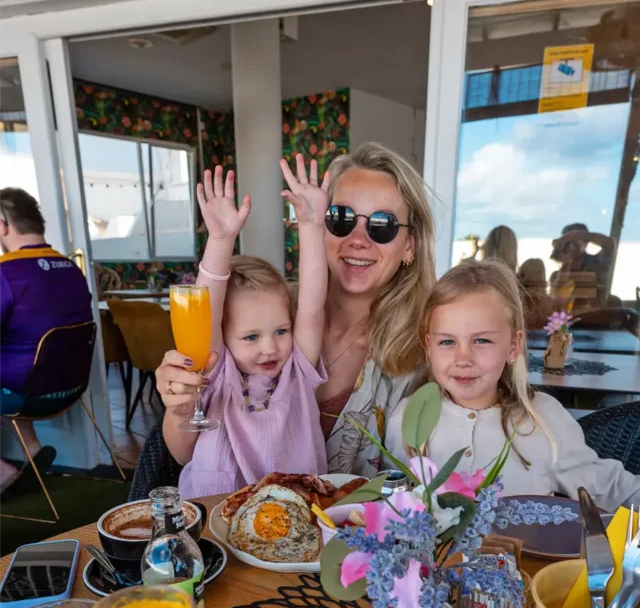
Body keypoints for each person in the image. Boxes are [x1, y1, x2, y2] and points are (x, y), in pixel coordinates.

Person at [157, 142, 436, 477]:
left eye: (382, 224)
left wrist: (311, 225)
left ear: (411, 245)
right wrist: (179, 409)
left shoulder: (430, 355)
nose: (358, 239)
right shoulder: (261, 315)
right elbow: (183, 452)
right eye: (340, 218)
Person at [384, 260, 640, 513]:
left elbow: (611, 488)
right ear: (428, 347)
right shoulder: (407, 420)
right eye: (447, 341)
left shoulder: (545, 419)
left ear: (514, 346)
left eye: (482, 340)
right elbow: (387, 512)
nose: (463, 358)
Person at [159, 156, 329, 498]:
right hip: (219, 516)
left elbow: (312, 305)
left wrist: (312, 227)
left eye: (281, 331)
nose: (270, 347)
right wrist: (221, 240)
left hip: (294, 515)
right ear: (222, 336)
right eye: (251, 337)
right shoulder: (217, 370)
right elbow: (207, 306)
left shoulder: (297, 367)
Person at [0, 187, 93, 490]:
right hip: (73, 387)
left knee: (17, 365)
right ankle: (34, 452)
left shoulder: (7, 272)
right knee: (21, 358)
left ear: (3, 225)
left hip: (25, 394)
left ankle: (3, 472)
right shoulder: (71, 268)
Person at [550, 222, 615, 297]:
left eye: (575, 241)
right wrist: (566, 263)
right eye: (567, 243)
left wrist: (573, 235)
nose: (570, 245)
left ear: (586, 242)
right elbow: (557, 296)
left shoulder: (597, 264)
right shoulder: (558, 274)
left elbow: (609, 244)